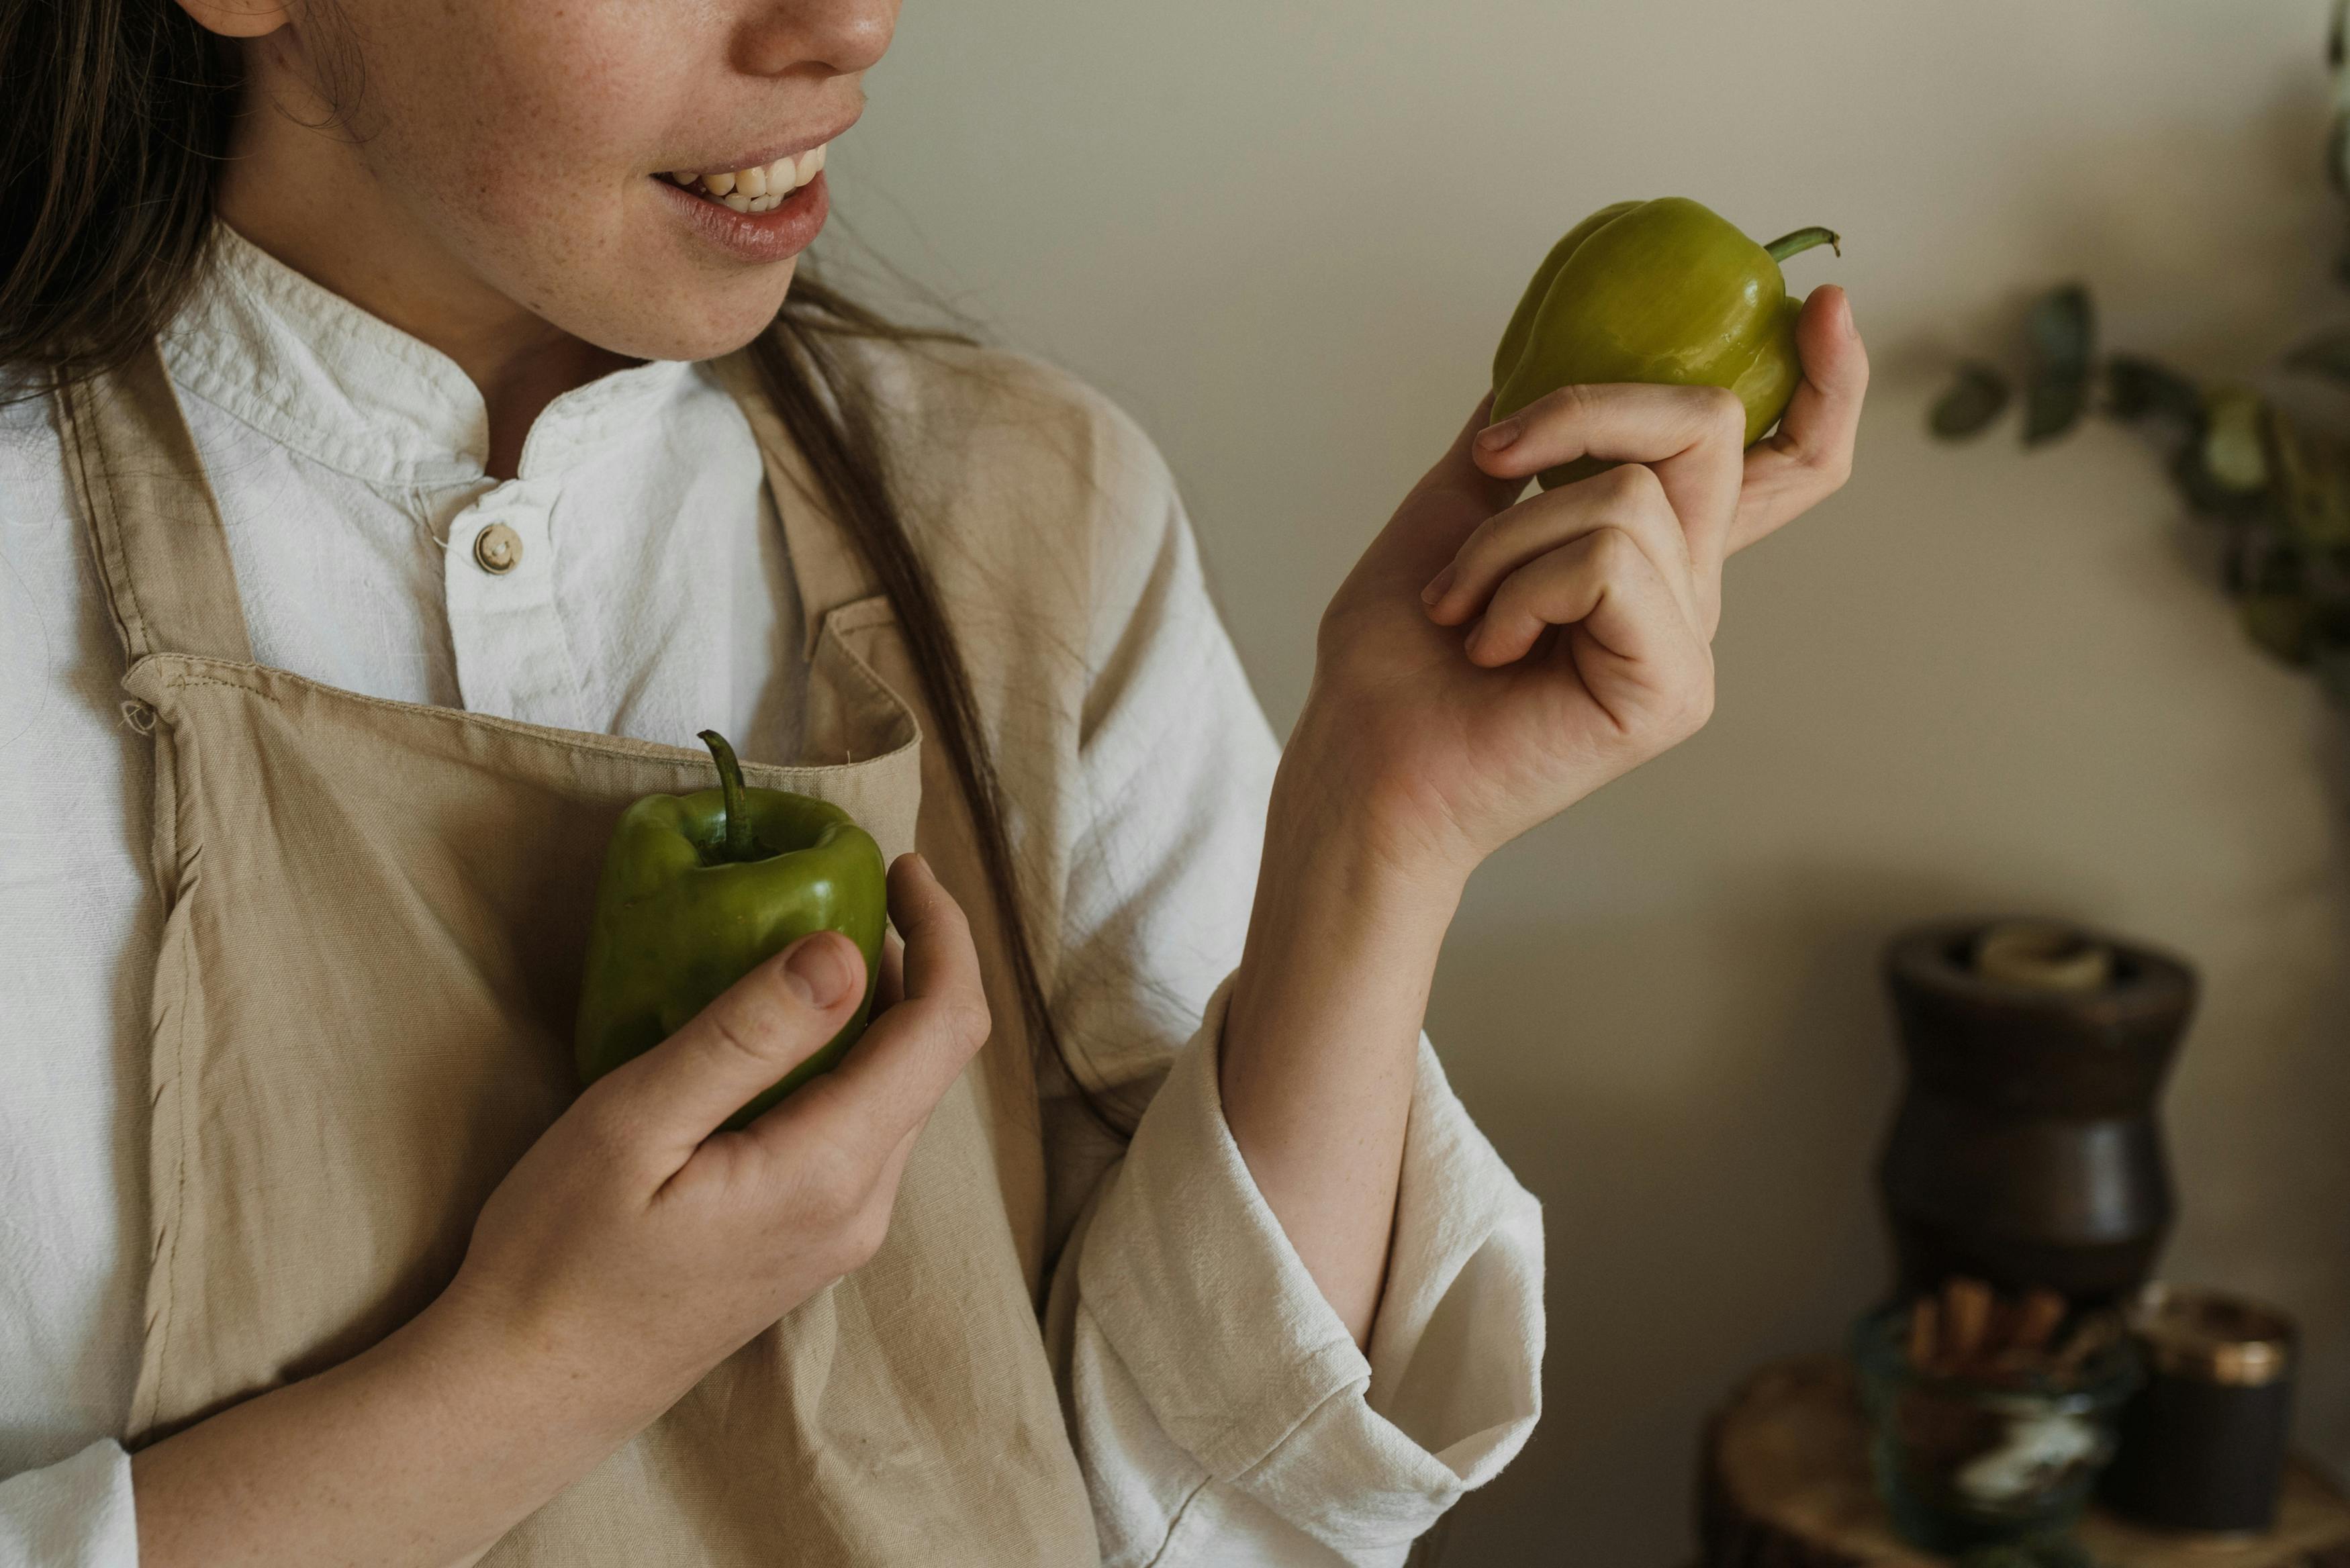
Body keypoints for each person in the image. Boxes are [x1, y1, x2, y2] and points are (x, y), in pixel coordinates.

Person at [0, 1, 1868, 1563]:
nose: (848, 23)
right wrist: (537, 1373)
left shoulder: (1027, 514)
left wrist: (1385, 826)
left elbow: (1203, 1524)